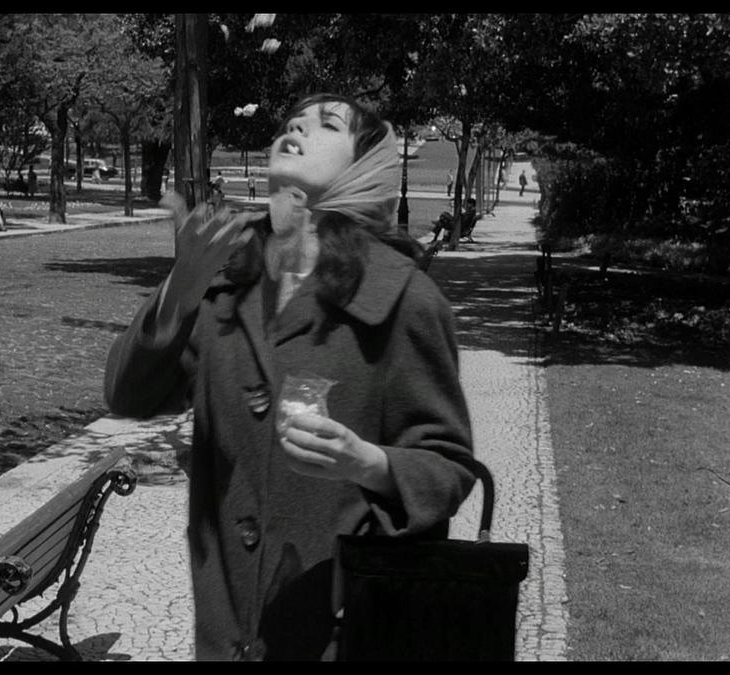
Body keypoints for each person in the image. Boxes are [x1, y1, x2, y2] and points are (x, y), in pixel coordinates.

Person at [104, 93, 476, 661]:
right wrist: (179, 291)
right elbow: (128, 395)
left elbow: (448, 468)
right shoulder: (226, 280)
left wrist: (366, 462)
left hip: (345, 634)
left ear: (363, 168)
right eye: (292, 122)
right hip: (224, 633)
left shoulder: (403, 299)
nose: (296, 129)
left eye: (326, 125)